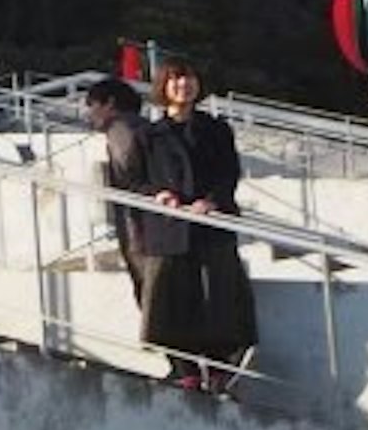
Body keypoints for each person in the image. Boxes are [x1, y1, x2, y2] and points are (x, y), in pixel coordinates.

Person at [135, 55, 257, 395]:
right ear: (163, 86)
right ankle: (183, 368)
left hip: (211, 223)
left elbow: (228, 172)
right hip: (169, 229)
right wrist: (159, 195)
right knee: (172, 299)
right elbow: (136, 179)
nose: (184, 85)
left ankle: (219, 368)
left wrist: (212, 200)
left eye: (189, 78)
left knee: (219, 296)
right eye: (175, 79)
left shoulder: (216, 129)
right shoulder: (149, 135)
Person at [80, 74, 156, 320]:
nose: (89, 114)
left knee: (148, 285)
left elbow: (130, 174)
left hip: (138, 222)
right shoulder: (144, 126)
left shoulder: (120, 129)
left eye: (92, 105)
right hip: (153, 222)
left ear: (109, 104)